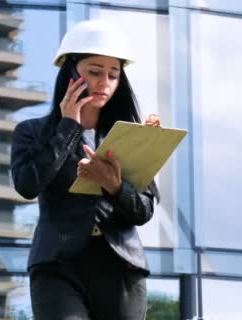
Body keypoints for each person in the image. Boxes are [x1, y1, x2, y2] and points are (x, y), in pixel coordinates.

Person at [10, 20, 161, 320]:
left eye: (113, 74)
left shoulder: (129, 136)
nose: (104, 81)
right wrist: (68, 126)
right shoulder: (31, 132)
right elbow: (28, 184)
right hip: (58, 266)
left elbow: (143, 212)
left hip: (121, 268)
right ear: (71, 72)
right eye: (94, 71)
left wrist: (116, 187)